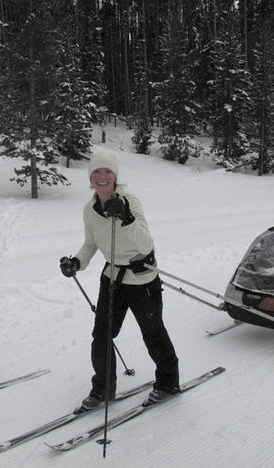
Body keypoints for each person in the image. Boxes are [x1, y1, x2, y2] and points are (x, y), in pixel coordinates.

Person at [60, 153, 179, 411]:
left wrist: (126, 219)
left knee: (153, 333)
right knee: (101, 335)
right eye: (96, 173)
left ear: (115, 177)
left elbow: (145, 243)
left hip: (142, 280)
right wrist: (77, 262)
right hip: (112, 279)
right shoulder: (89, 210)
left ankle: (168, 382)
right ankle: (103, 388)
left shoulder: (130, 202)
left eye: (107, 172)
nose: (102, 178)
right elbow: (91, 244)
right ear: (90, 179)